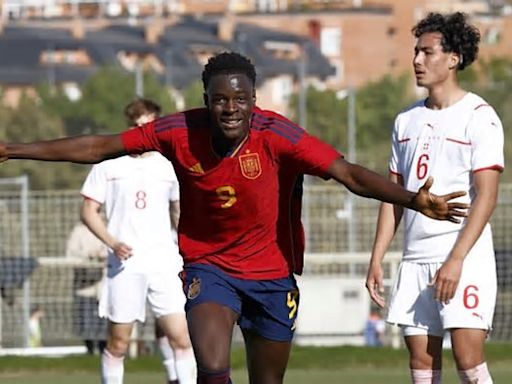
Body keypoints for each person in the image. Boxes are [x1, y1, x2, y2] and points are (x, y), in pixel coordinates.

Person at [0, 51, 469, 384]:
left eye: (240, 99)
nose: (230, 108)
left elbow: (347, 172)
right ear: (206, 98)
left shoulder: (278, 135)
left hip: (271, 274)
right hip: (210, 268)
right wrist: (16, 149)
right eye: (220, 98)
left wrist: (412, 200)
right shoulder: (179, 130)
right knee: (212, 366)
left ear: (253, 99)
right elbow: (99, 146)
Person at [365, 12, 504, 384]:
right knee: (422, 366)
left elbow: (487, 197)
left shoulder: (479, 116)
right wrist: (377, 257)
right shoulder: (405, 121)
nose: (417, 60)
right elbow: (392, 195)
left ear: (454, 58)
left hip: (463, 255)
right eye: (416, 52)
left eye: (427, 52)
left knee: (468, 359)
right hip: (415, 258)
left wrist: (456, 260)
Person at [79, 98, 195, 384]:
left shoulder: (169, 165)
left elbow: (179, 212)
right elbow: (88, 211)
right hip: (125, 263)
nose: (142, 131)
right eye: (136, 125)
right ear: (129, 127)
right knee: (118, 342)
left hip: (164, 261)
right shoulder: (109, 164)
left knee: (181, 337)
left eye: (148, 125)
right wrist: (112, 241)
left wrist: (188, 250)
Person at [65, 220, 108, 355]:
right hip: (84, 286)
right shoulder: (78, 231)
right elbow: (70, 255)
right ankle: (90, 350)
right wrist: (88, 255)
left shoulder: (107, 228)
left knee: (105, 322)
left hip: (103, 286)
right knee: (85, 321)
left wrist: (103, 255)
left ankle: (104, 350)